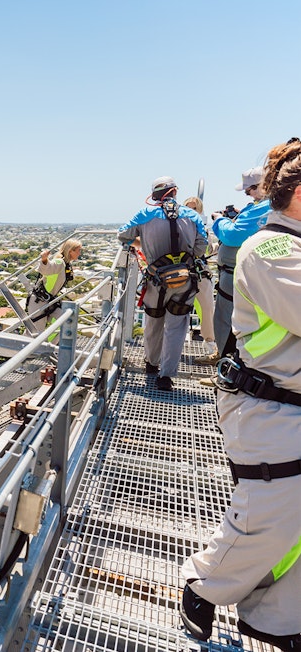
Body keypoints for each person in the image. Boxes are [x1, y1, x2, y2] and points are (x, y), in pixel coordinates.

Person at [181, 138, 301, 650]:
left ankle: (276, 620)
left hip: (286, 401)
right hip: (272, 406)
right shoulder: (274, 248)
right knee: (270, 517)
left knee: (295, 527)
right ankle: (204, 584)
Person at [118, 176, 207, 390]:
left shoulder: (145, 214)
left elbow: (123, 235)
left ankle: (151, 363)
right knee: (176, 327)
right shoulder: (193, 216)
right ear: (175, 192)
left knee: (153, 323)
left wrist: (142, 243)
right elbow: (201, 247)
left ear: (154, 195)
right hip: (184, 281)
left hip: (156, 279)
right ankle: (166, 376)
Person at [202, 167, 272, 365]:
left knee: (228, 322)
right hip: (246, 276)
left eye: (249, 189)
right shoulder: (267, 206)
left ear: (263, 185)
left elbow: (232, 236)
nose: (247, 193)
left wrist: (220, 220)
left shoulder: (265, 207)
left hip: (236, 277)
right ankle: (227, 362)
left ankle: (226, 369)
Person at [182, 196, 217, 356]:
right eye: (188, 207)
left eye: (194, 208)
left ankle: (210, 343)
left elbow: (207, 251)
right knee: (177, 309)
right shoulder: (180, 227)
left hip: (199, 271)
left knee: (207, 308)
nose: (190, 211)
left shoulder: (201, 227)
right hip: (183, 272)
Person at [26, 239, 83, 335]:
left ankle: (50, 345)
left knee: (67, 319)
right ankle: (32, 348)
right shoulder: (60, 262)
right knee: (35, 333)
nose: (79, 253)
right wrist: (44, 259)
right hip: (39, 301)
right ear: (70, 251)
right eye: (78, 250)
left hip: (48, 300)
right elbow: (47, 269)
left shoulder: (66, 264)